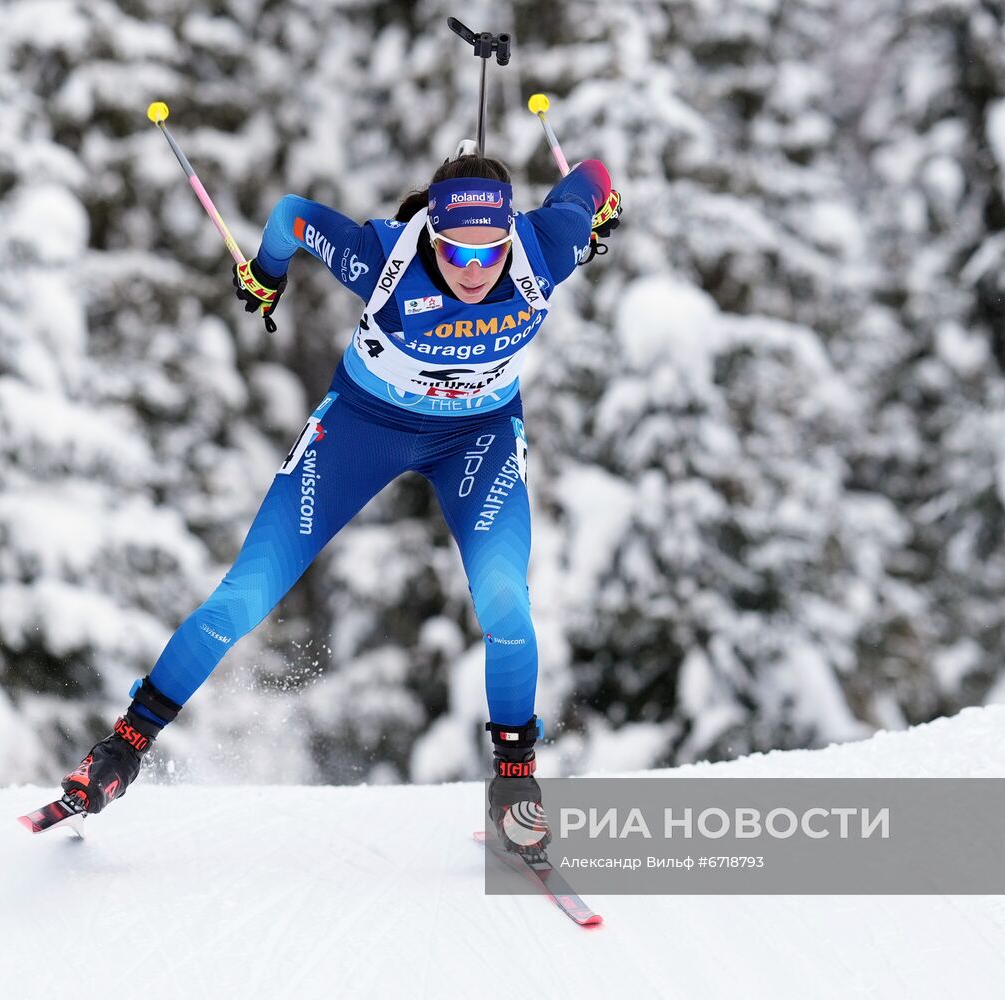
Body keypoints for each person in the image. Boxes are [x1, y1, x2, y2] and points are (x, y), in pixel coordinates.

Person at [57, 146, 621, 856]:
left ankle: (515, 785)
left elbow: (592, 173)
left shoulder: (548, 246)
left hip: (477, 439)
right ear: (433, 236)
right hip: (363, 429)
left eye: (489, 253)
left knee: (506, 603)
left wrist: (603, 203)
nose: (474, 272)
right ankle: (121, 750)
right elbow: (293, 218)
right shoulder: (381, 259)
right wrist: (266, 274)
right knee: (244, 596)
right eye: (455, 253)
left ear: (511, 234)